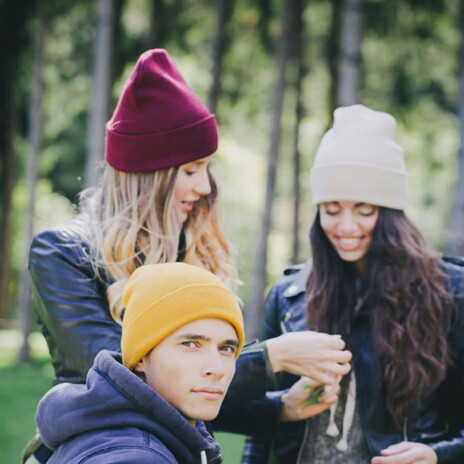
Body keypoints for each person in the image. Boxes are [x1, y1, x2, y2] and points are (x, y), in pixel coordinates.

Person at [28, 47, 350, 410]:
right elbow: (125, 377)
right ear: (148, 176)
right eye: (191, 170)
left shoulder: (188, 248)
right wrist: (271, 358)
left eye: (207, 168)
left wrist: (281, 409)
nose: (204, 186)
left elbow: (196, 391)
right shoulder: (61, 252)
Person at [242, 105, 464, 464]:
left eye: (364, 210)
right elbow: (263, 420)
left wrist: (438, 455)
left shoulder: (450, 292)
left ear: (391, 213)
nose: (346, 226)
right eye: (331, 209)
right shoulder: (288, 296)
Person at [35, 262, 245, 463]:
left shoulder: (121, 434)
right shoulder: (137, 458)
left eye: (226, 348)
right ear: (141, 357)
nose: (218, 369)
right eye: (190, 344)